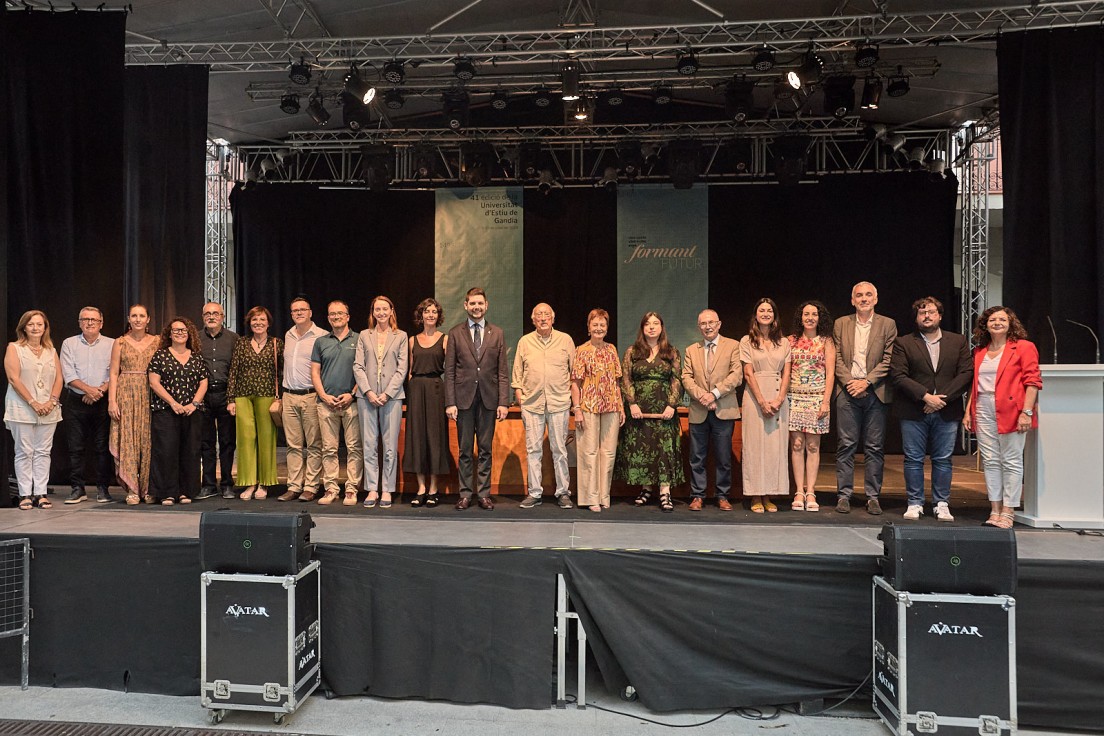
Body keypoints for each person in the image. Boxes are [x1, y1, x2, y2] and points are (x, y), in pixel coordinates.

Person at [890, 297, 973, 521]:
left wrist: (939, 400)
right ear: (916, 317)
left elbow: (966, 373)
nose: (926, 316)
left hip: (947, 410)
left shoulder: (958, 341)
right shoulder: (904, 342)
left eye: (931, 312)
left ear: (940, 316)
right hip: (913, 410)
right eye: (922, 313)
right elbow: (898, 375)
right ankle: (915, 503)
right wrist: (926, 397)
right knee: (913, 459)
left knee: (943, 459)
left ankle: (941, 503)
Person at [963, 306, 1042, 529]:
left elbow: (1033, 382)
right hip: (983, 407)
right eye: (992, 320)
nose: (997, 323)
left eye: (1002, 319)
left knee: (1011, 460)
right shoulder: (980, 351)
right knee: (989, 461)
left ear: (1011, 323)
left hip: (1012, 410)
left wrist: (1026, 412)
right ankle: (995, 509)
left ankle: (1009, 511)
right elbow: (975, 384)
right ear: (985, 325)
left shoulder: (1024, 347)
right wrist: (969, 410)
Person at [833, 281, 897, 515]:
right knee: (846, 445)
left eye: (868, 295)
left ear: (876, 299)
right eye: (859, 295)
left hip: (875, 392)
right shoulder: (841, 323)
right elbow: (836, 357)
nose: (863, 299)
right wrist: (851, 382)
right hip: (847, 391)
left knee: (874, 447)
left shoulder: (888, 324)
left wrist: (866, 381)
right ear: (852, 300)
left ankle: (872, 496)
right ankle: (844, 495)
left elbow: (889, 359)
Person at [444, 288, 509, 511]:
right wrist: (450, 402)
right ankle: (464, 494)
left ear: (486, 305)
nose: (476, 307)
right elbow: (450, 371)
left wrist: (503, 402)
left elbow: (502, 372)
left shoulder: (497, 333)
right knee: (464, 450)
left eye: (480, 303)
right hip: (462, 401)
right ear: (465, 305)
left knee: (485, 449)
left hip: (489, 400)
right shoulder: (455, 333)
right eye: (472, 303)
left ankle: (483, 494)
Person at [615, 311, 684, 513]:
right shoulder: (632, 352)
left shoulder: (671, 352)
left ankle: (665, 491)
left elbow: (677, 379)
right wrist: (632, 403)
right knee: (643, 450)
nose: (652, 327)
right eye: (648, 324)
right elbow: (625, 379)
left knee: (664, 449)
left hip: (665, 410)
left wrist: (672, 405)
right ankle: (645, 489)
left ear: (662, 327)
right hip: (638, 411)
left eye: (656, 323)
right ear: (642, 328)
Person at [513, 303, 576, 510]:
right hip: (532, 405)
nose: (542, 318)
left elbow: (574, 373)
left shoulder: (565, 340)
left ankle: (563, 493)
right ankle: (534, 493)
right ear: (533, 319)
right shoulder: (525, 342)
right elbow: (517, 376)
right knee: (533, 450)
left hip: (559, 403)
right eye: (538, 315)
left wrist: (574, 403)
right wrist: (521, 400)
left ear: (553, 318)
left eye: (546, 314)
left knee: (559, 449)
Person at [681, 309, 743, 511]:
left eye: (711, 322)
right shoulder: (691, 350)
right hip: (699, 411)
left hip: (724, 409)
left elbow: (736, 376)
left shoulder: (733, 346)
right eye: (703, 323)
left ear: (719, 324)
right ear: (699, 327)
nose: (707, 326)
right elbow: (686, 378)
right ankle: (697, 495)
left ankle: (722, 495)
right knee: (696, 457)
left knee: (723, 457)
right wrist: (703, 396)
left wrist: (714, 394)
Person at [5, 310, 63, 510]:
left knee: (43, 452)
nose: (36, 328)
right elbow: (14, 378)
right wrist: (33, 402)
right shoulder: (15, 348)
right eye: (31, 324)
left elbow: (59, 379)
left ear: (45, 328)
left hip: (49, 409)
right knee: (24, 452)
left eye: (39, 324)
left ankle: (40, 492)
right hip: (22, 408)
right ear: (24, 327)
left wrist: (52, 401)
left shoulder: (51, 350)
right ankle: (24, 494)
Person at [353, 296, 407, 508]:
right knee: (369, 445)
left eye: (385, 309)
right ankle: (372, 489)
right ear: (373, 312)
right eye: (377, 309)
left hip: (391, 398)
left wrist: (387, 393)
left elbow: (402, 368)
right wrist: (367, 391)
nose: (381, 312)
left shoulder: (400, 336)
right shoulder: (365, 335)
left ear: (391, 311)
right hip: (366, 398)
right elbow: (358, 366)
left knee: (390, 446)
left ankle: (387, 489)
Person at [148, 318, 209, 506]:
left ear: (189, 333)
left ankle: (185, 491)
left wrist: (194, 404)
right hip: (166, 411)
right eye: (176, 330)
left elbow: (203, 382)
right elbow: (153, 382)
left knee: (190, 452)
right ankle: (167, 493)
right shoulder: (160, 356)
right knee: (166, 452)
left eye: (183, 330)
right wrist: (173, 403)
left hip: (192, 412)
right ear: (169, 334)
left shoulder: (197, 357)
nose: (180, 333)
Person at [740, 298, 792, 513]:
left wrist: (779, 399)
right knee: (754, 447)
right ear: (756, 314)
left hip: (778, 396)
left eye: (769, 310)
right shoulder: (746, 341)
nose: (765, 313)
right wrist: (761, 401)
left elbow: (787, 372)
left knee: (774, 448)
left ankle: (769, 494)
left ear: (774, 315)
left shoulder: (784, 342)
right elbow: (748, 373)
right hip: (754, 398)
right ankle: (754, 496)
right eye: (761, 310)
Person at [227, 306, 283, 500]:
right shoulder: (241, 343)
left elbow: (281, 372)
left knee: (266, 440)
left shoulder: (277, 344)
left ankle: (264, 484)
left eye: (262, 319)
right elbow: (233, 371)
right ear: (249, 323)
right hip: (243, 396)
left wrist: (281, 396)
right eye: (254, 320)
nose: (258, 323)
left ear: (268, 323)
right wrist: (231, 399)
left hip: (267, 395)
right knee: (245, 440)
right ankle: (249, 483)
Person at [59, 306, 114, 504]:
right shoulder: (69, 343)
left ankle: (102, 488)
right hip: (76, 401)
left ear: (101, 323)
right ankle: (77, 488)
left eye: (93, 319)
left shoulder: (112, 344)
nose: (89, 323)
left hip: (102, 401)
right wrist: (89, 390)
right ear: (79, 322)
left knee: (102, 447)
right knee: (76, 448)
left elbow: (115, 373)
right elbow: (68, 373)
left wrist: (98, 391)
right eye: (85, 319)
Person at [571, 309, 624, 513]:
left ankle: (604, 495)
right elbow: (575, 383)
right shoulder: (581, 350)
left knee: (608, 453)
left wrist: (620, 407)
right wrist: (577, 410)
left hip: (611, 406)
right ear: (588, 327)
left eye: (602, 325)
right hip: (588, 406)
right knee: (589, 453)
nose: (599, 328)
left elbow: (617, 382)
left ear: (607, 328)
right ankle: (590, 497)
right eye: (595, 325)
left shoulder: (612, 349)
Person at [312, 300, 363, 506]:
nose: (336, 317)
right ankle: (331, 488)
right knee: (329, 449)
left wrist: (352, 394)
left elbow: (365, 371)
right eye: (332, 314)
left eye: (340, 313)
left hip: (352, 402)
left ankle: (351, 489)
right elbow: (315, 372)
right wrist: (323, 396)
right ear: (328, 318)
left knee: (354, 448)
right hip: (326, 404)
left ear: (348, 316)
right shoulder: (321, 342)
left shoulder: (360, 340)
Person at [108, 304, 159, 505]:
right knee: (128, 438)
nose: (138, 319)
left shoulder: (156, 342)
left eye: (141, 316)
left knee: (148, 440)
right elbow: (113, 372)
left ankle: (147, 487)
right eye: (134, 316)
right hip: (126, 392)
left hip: (149, 392)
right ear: (129, 319)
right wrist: (112, 400)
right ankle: (132, 488)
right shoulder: (119, 342)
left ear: (148, 319)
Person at [787, 300, 835, 512]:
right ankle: (799, 490)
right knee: (797, 444)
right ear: (800, 317)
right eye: (806, 314)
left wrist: (826, 400)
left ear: (819, 317)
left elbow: (831, 373)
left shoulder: (826, 341)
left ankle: (811, 491)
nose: (809, 317)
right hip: (794, 398)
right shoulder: (790, 341)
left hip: (817, 399)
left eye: (814, 314)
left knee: (813, 446)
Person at [278, 297, 326, 502]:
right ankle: (294, 486)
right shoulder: (287, 335)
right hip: (289, 395)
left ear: (310, 312)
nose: (298, 313)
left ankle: (311, 486)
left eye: (302, 310)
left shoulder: (322, 336)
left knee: (314, 444)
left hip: (311, 396)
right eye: (294, 310)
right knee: (293, 445)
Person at [403, 298, 450, 507]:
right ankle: (421, 488)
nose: (430, 315)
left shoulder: (445, 339)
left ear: (438, 316)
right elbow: (410, 371)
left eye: (434, 312)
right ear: (420, 315)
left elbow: (450, 371)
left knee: (435, 438)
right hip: (416, 391)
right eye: (426, 311)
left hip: (435, 390)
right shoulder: (412, 340)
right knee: (417, 438)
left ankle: (433, 488)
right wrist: (410, 395)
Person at [198, 302, 238, 500]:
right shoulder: (195, 339)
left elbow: (237, 370)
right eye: (208, 314)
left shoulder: (233, 339)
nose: (211, 317)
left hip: (226, 396)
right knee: (205, 442)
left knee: (227, 442)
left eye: (215, 313)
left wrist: (233, 398)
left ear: (223, 316)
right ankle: (208, 484)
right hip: (203, 396)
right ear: (203, 316)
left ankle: (227, 484)